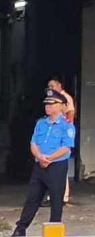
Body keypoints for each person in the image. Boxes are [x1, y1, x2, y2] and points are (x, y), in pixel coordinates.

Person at [12, 90, 76, 237]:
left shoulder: (67, 126)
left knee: (56, 200)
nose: (48, 106)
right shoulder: (41, 123)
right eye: (46, 103)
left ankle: (53, 231)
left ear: (61, 106)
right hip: (39, 165)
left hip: (56, 166)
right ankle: (20, 229)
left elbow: (66, 147)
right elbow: (33, 143)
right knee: (32, 198)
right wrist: (40, 157)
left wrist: (49, 159)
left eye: (52, 103)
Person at [42, 74, 76, 207]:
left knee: (60, 165)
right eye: (49, 86)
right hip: (54, 133)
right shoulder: (52, 99)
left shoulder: (65, 98)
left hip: (61, 133)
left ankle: (62, 196)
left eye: (53, 86)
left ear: (59, 86)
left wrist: (67, 128)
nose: (50, 88)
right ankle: (53, 195)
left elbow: (71, 112)